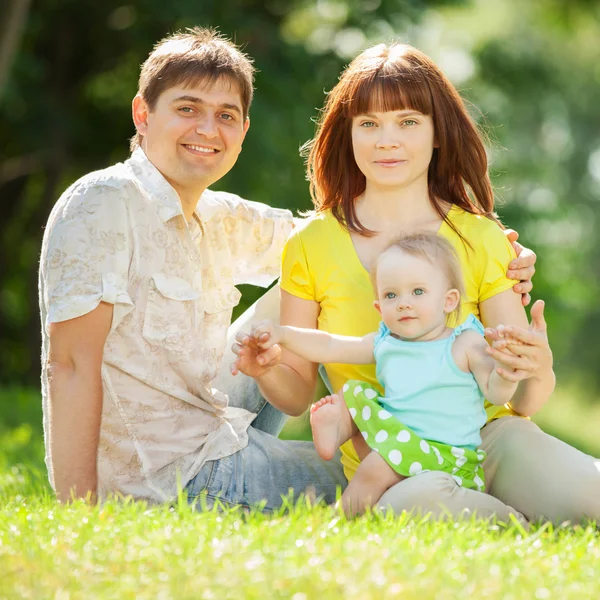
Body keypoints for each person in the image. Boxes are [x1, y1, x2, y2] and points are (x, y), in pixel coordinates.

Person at [39, 28, 535, 511]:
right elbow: (70, 365)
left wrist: (493, 255)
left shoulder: (219, 216)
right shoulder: (103, 204)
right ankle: (480, 489)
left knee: (305, 283)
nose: (207, 130)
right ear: (142, 113)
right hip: (175, 477)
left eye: (226, 115)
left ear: (242, 131)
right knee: (398, 475)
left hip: (218, 435)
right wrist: (79, 514)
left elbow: (350, 235)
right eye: (187, 109)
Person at [234, 42, 600, 524]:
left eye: (407, 122)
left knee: (590, 500)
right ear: (347, 135)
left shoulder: (481, 237)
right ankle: (516, 523)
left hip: (489, 440)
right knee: (417, 504)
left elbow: (519, 399)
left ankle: (511, 505)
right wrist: (266, 369)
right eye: (368, 124)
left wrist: (540, 368)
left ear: (436, 135)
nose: (387, 140)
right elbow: (298, 395)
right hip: (391, 464)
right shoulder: (311, 244)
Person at [247, 232, 529, 517]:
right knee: (354, 393)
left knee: (376, 467)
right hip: (399, 445)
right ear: (380, 308)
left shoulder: (463, 342)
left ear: (449, 301)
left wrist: (506, 374)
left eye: (418, 292)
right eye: (392, 295)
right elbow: (329, 345)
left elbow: (496, 392)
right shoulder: (385, 343)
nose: (404, 303)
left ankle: (340, 519)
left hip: (446, 457)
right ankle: (336, 429)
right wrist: (283, 335)